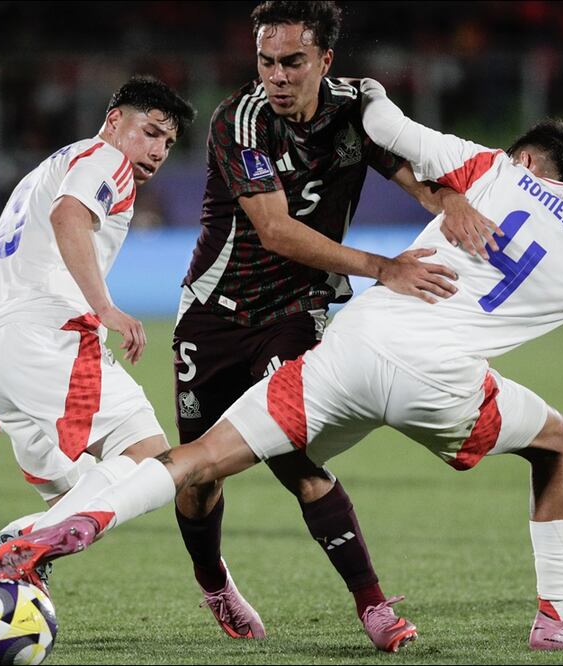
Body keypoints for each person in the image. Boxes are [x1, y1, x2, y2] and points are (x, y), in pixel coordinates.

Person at [0, 78, 563, 652]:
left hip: (351, 345)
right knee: (558, 441)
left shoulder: (484, 172)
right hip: (434, 380)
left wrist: (397, 133)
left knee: (196, 461)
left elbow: (383, 118)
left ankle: (70, 529)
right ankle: (554, 617)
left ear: (527, 158)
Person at [169, 1, 495, 650]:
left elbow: (417, 174)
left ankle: (372, 605)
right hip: (213, 317)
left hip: (296, 313)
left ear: (324, 59)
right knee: (199, 477)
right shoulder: (240, 120)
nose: (277, 77)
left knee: (296, 456)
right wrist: (383, 266)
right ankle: (214, 583)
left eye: (292, 62)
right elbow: (274, 230)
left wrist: (453, 201)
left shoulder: (357, 112)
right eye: (266, 62)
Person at [0, 75, 196, 639]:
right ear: (113, 122)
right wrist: (104, 307)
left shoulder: (35, 178)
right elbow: (68, 218)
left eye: (168, 143)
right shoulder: (105, 159)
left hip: (6, 354)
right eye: (149, 131)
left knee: (81, 504)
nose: (156, 149)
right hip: (55, 339)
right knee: (155, 460)